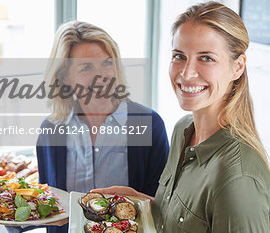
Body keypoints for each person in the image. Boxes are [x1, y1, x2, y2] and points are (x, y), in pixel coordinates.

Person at [93, 1, 270, 232]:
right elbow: (182, 220)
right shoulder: (183, 130)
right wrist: (141, 203)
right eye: (179, 56)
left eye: (206, 58)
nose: (187, 73)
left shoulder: (237, 178)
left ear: (237, 67)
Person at [24, 21, 169, 233]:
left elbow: (164, 207)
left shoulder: (149, 124)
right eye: (86, 67)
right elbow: (51, 206)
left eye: (107, 63)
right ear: (65, 77)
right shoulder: (51, 130)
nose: (102, 76)